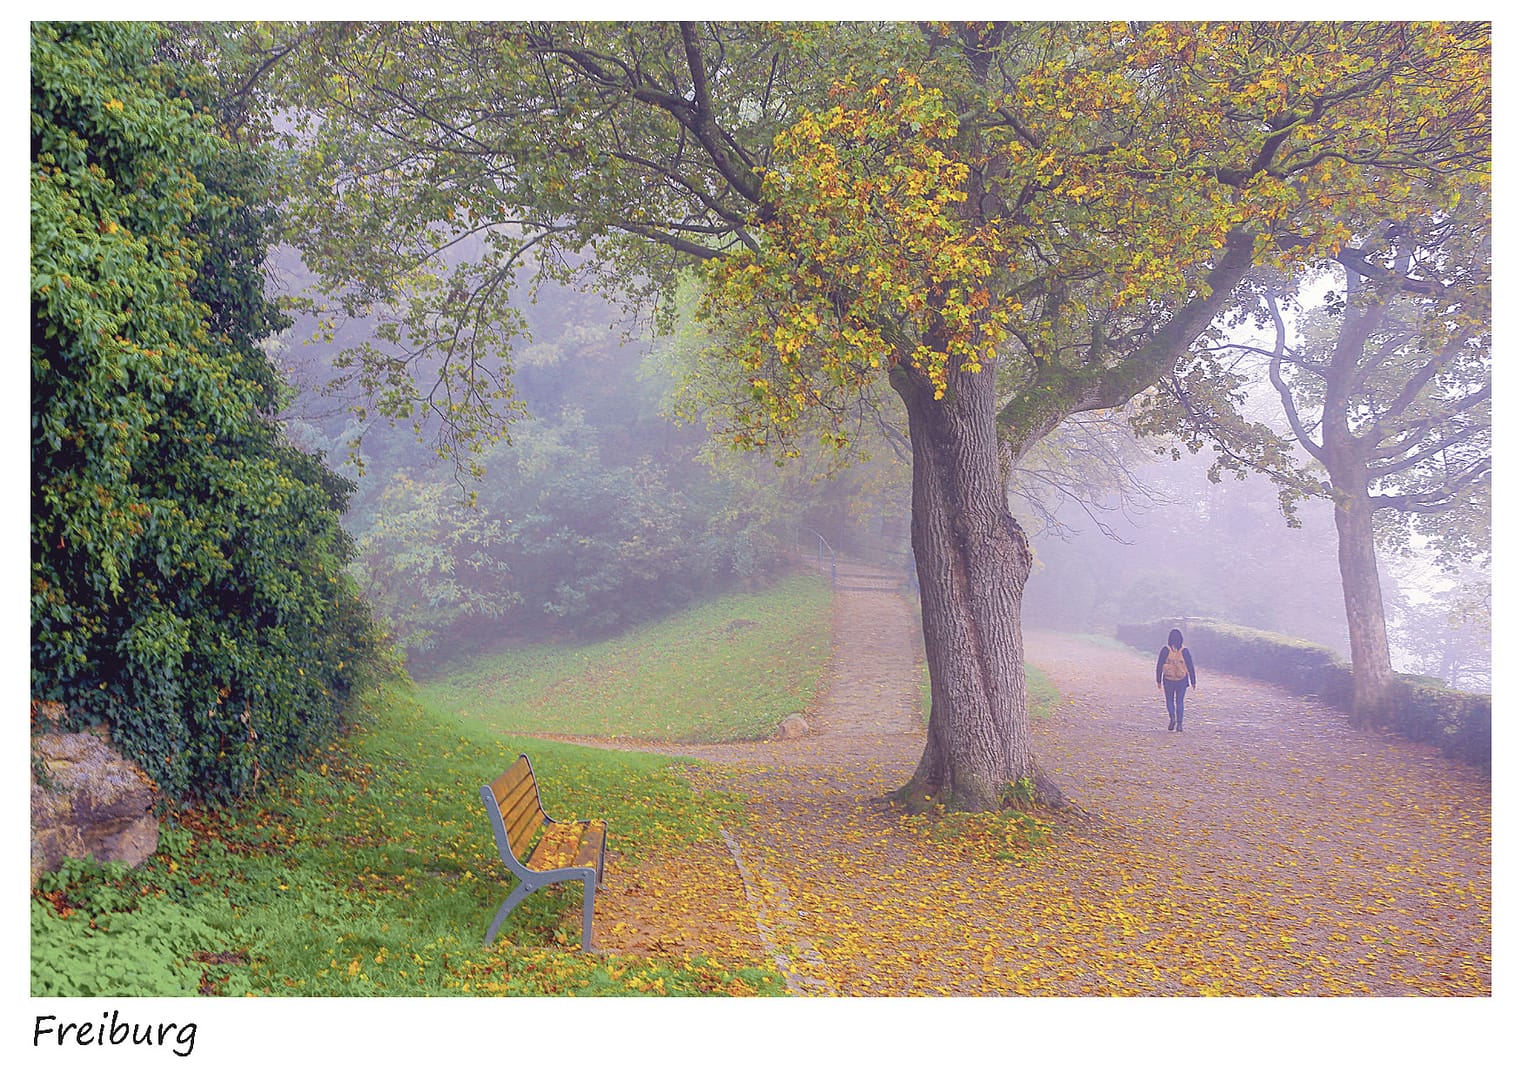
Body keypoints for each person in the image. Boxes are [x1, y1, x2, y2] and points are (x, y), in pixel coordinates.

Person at [1155, 627, 1197, 732]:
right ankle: (1179, 724)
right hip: (1182, 680)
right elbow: (1190, 666)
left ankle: (1172, 717)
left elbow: (1159, 665)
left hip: (1168, 679)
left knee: (1169, 700)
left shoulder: (1165, 650)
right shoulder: (1185, 651)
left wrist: (1158, 680)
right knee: (1180, 701)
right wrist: (1193, 681)